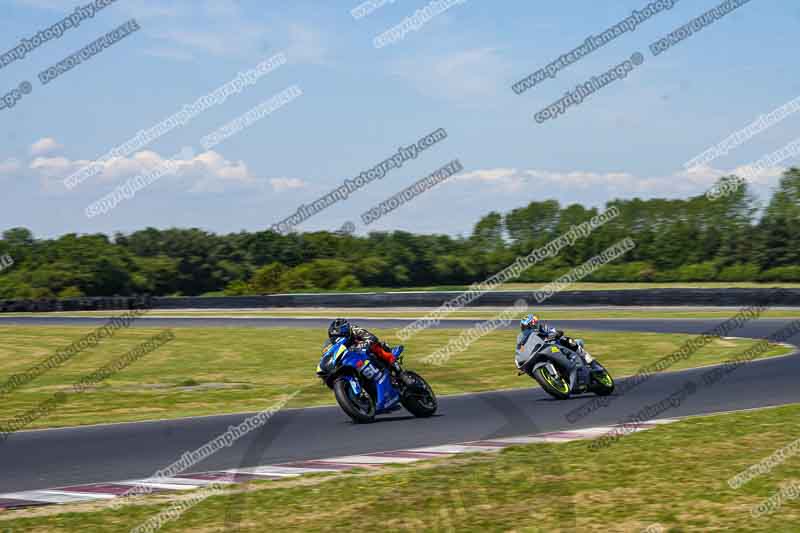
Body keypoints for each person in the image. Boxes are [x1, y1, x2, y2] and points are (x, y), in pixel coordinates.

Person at [327, 318, 414, 385]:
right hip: (356, 359)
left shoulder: (354, 330)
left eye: (339, 335)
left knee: (376, 347)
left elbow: (372, 338)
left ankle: (401, 374)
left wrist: (363, 344)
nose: (337, 338)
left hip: (369, 349)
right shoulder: (336, 345)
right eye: (334, 337)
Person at [516, 314, 593, 364]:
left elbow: (553, 330)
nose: (526, 329)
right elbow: (521, 349)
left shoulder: (542, 328)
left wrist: (555, 333)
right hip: (541, 352)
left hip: (554, 345)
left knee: (565, 339)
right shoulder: (523, 339)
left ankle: (585, 355)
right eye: (524, 327)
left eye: (527, 326)